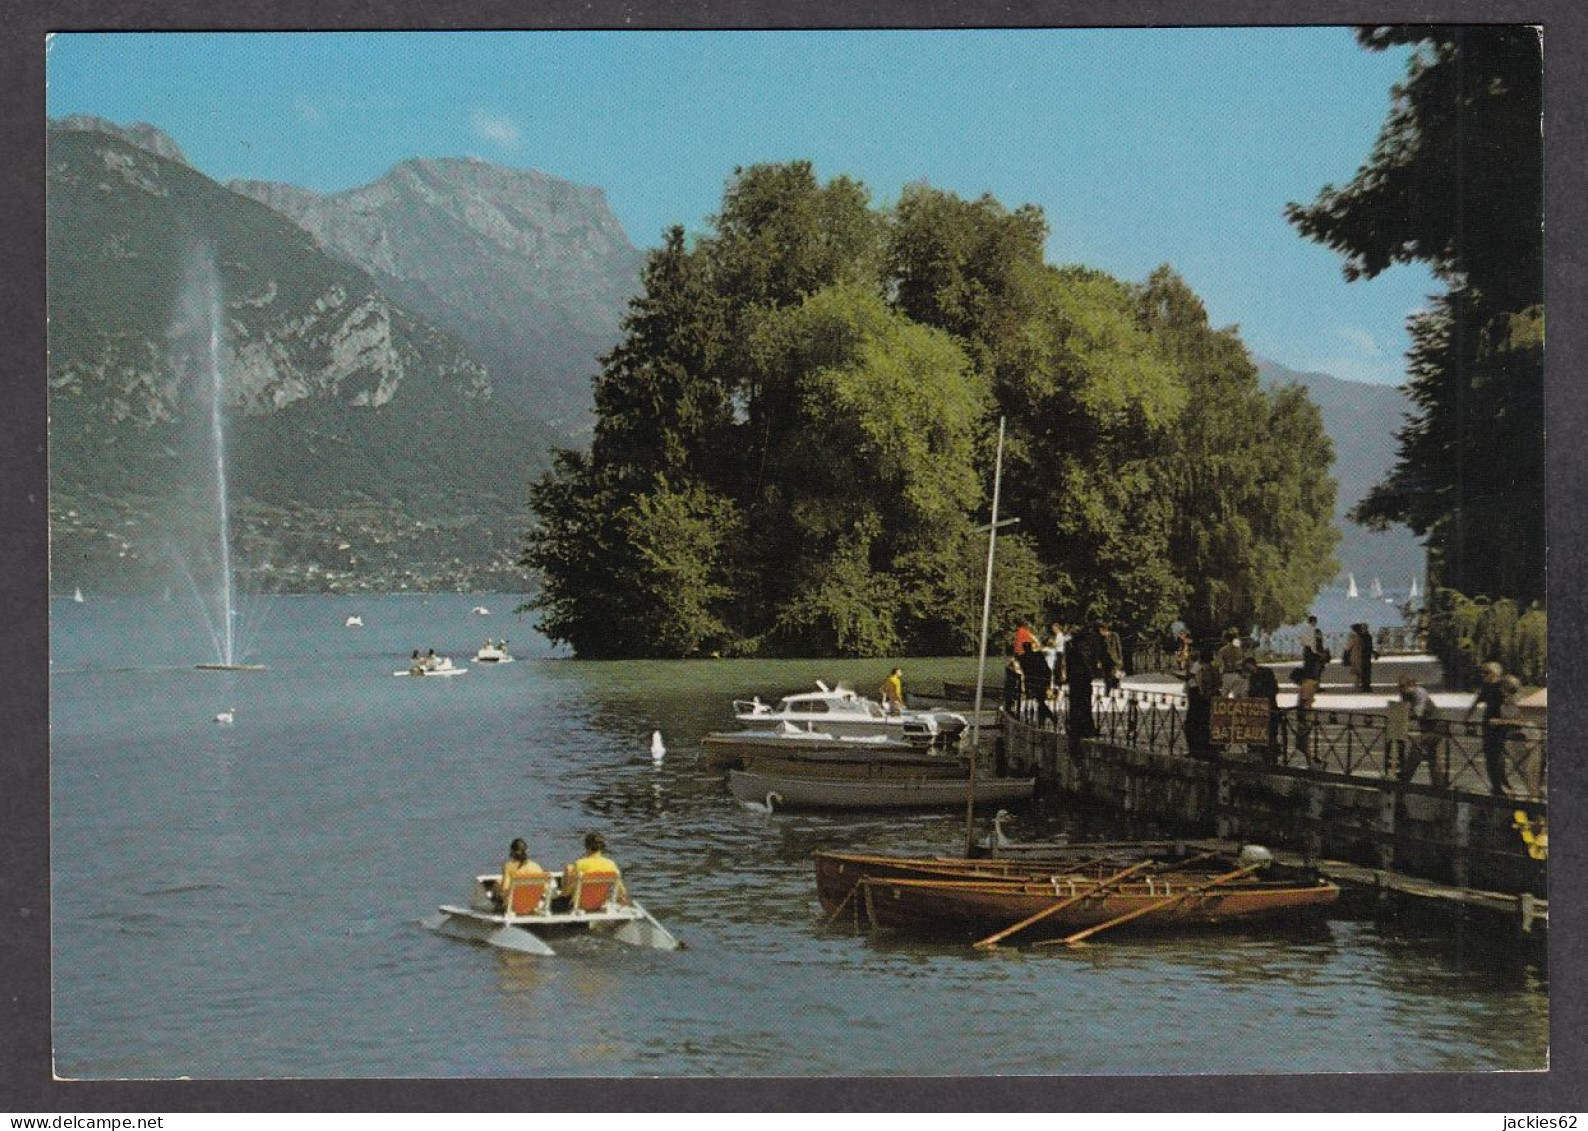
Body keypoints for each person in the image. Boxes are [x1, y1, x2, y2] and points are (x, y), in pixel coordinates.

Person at [1465, 662, 1511, 796]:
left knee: (1498, 755)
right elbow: (1477, 701)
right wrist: (1467, 717)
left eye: (1486, 673)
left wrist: (1506, 720)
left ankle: (1502, 784)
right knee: (1489, 755)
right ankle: (1496, 786)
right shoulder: (1487, 687)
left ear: (1494, 674)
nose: (1483, 675)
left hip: (1499, 724)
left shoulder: (1502, 686)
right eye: (1482, 673)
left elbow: (1510, 704)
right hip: (1488, 723)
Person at [1396, 674, 1445, 786]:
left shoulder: (1420, 692)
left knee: (1418, 747)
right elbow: (1403, 710)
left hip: (1437, 726)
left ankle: (1405, 776)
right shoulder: (1404, 695)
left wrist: (1403, 714)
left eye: (1404, 686)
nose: (1402, 690)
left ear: (1412, 685)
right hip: (1426, 726)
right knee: (1431, 755)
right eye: (1400, 687)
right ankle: (1439, 785)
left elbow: (1418, 712)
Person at [558, 831, 627, 908]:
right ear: (602, 847)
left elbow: (567, 892)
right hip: (599, 904)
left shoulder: (580, 864)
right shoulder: (611, 864)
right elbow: (622, 892)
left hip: (580, 905)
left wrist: (563, 889)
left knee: (568, 868)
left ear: (586, 846)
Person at [1243, 657, 1281, 763]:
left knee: (1266, 735)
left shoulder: (1258, 675)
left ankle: (1266, 756)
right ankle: (1270, 757)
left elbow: (1253, 692)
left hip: (1264, 709)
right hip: (1269, 707)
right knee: (1270, 735)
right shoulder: (1266, 672)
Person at [496, 837, 545, 911]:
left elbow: (505, 888)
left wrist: (497, 891)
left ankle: (497, 907)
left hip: (514, 906)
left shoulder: (509, 866)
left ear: (512, 851)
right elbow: (544, 888)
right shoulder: (536, 867)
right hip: (534, 904)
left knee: (497, 884)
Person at [1018, 641, 1055, 727]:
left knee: (1040, 701)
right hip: (1039, 680)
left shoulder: (1023, 658)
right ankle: (1044, 719)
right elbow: (1046, 669)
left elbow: (1026, 671)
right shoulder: (1037, 655)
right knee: (1040, 701)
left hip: (1036, 681)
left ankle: (1049, 718)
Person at [1216, 628, 1244, 696]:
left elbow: (1219, 664)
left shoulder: (1222, 650)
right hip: (1237, 675)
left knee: (1225, 697)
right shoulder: (1239, 650)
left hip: (1227, 675)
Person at [1097, 622, 1124, 694]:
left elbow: (1118, 647)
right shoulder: (1101, 638)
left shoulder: (1114, 635)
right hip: (1105, 660)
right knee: (1106, 676)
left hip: (1114, 659)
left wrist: (1120, 658)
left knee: (1114, 675)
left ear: (1105, 630)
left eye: (1101, 630)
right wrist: (1099, 660)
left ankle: (1116, 688)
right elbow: (1099, 650)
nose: (1100, 632)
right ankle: (1107, 690)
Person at [1301, 615, 1327, 681]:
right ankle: (1315, 686)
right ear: (1314, 622)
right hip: (1314, 653)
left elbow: (1302, 642)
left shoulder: (1304, 631)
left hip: (1306, 651)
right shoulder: (1316, 631)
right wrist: (1320, 653)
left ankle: (1308, 686)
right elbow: (1317, 643)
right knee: (1316, 671)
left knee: (1308, 670)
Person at [1001, 647, 1024, 714]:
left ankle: (1009, 708)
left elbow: (1018, 671)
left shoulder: (1013, 662)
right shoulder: (1012, 662)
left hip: (1011, 682)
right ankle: (1009, 708)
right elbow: (1017, 671)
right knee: (1009, 695)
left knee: (1010, 694)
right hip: (1011, 681)